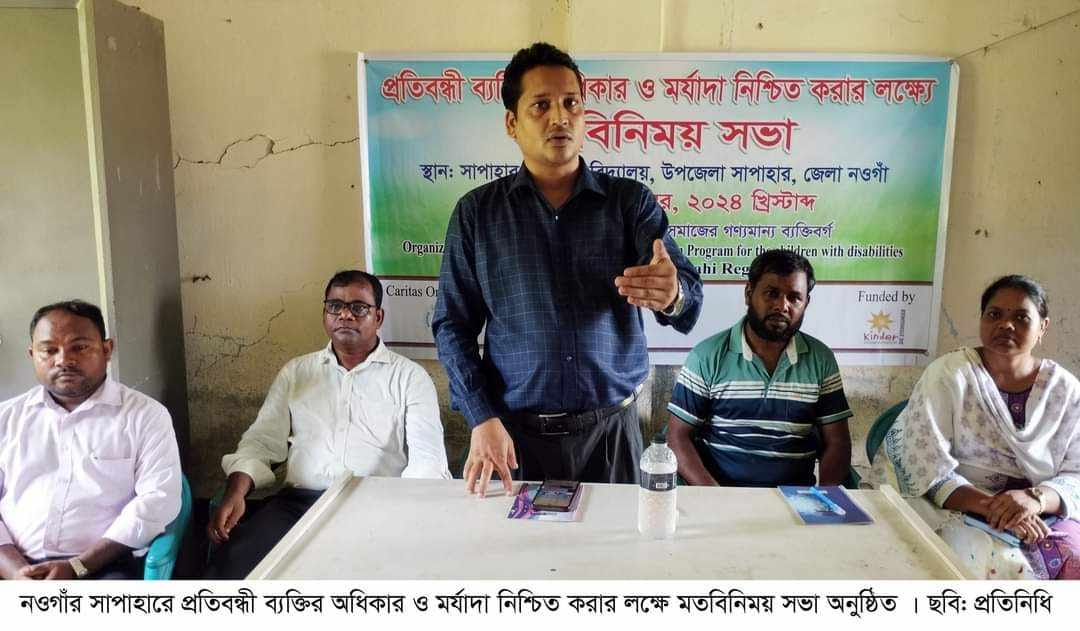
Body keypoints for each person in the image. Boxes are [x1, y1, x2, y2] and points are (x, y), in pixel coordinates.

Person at [432, 42, 703, 495]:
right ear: (512, 123)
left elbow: (688, 300)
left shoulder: (628, 203)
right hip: (512, 438)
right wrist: (481, 416)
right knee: (512, 543)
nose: (559, 118)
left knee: (617, 542)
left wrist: (672, 295)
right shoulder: (478, 214)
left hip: (612, 435)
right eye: (541, 105)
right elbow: (451, 325)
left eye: (571, 103)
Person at [206, 270, 450, 578]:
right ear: (325, 314)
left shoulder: (408, 378)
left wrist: (404, 519)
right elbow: (261, 443)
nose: (345, 315)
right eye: (335, 306)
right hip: (298, 505)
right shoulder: (297, 373)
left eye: (358, 307)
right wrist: (236, 492)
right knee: (236, 563)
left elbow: (427, 461)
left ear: (378, 317)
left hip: (377, 504)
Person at [885, 275, 1080, 579]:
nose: (1006, 325)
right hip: (960, 503)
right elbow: (925, 465)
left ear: (1043, 327)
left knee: (1073, 557)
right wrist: (997, 508)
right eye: (994, 314)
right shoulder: (949, 375)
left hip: (1044, 509)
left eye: (1021, 317)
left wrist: (1034, 499)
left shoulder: (1064, 390)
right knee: (960, 562)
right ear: (981, 319)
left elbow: (1076, 473)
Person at [0, 300, 182, 580]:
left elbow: (159, 500)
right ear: (32, 354)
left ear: (107, 350)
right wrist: (15, 573)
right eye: (49, 350)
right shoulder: (6, 417)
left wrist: (78, 566)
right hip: (11, 564)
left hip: (102, 565)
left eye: (80, 347)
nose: (63, 360)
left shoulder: (146, 416)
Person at [666, 249, 853, 487]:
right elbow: (677, 436)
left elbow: (837, 442)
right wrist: (714, 495)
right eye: (772, 294)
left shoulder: (821, 360)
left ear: (806, 303)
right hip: (721, 492)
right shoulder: (706, 356)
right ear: (749, 294)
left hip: (795, 498)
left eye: (794, 298)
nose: (782, 306)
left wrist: (825, 499)